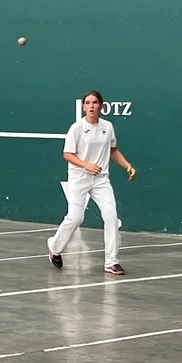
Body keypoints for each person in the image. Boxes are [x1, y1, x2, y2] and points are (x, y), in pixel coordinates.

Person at [46, 90, 136, 276]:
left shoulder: (107, 127)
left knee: (111, 216)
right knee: (76, 217)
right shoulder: (77, 128)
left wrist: (127, 165)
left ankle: (111, 262)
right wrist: (86, 165)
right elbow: (67, 154)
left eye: (95, 102)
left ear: (101, 106)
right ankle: (54, 247)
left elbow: (112, 150)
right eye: (87, 103)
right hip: (79, 178)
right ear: (83, 107)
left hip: (101, 179)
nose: (91, 106)